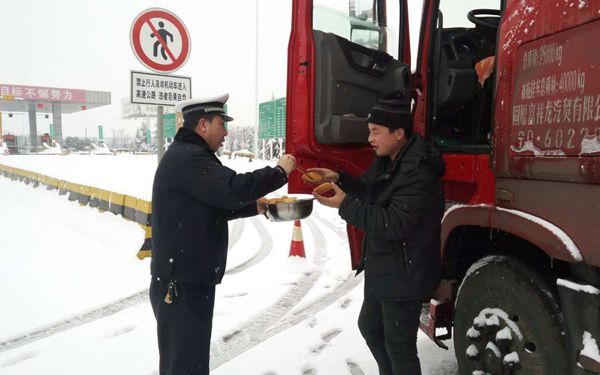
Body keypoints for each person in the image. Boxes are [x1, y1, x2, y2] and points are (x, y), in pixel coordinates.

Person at [150, 93, 296, 375]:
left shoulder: (191, 156)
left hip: (185, 278)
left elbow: (213, 204)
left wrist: (255, 206)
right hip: (181, 284)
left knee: (187, 361)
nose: (226, 132)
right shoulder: (190, 159)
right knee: (185, 365)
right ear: (203, 125)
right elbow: (232, 188)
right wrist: (279, 172)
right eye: (222, 123)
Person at [307, 92, 445, 375]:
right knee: (370, 327)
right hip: (386, 266)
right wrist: (338, 178)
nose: (369, 139)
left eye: (375, 132)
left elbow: (394, 224)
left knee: (400, 349)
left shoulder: (419, 171)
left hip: (406, 271)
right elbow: (369, 190)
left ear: (398, 132)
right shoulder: (387, 159)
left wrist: (344, 205)